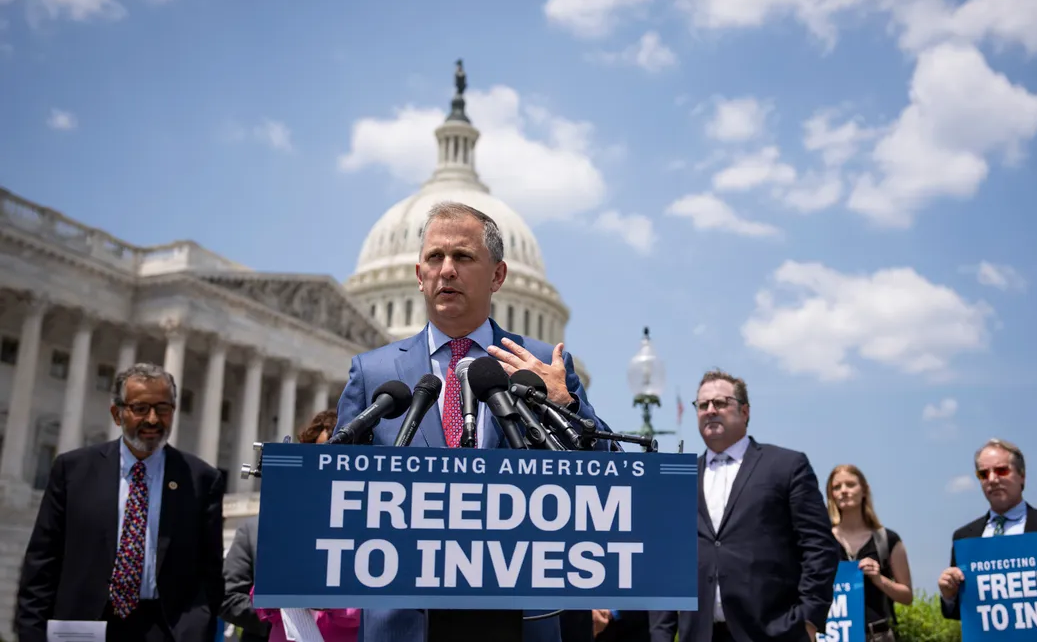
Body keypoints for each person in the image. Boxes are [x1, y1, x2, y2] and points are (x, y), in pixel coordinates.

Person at [334, 201, 616, 642]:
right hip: (406, 620)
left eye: (463, 257)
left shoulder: (542, 364)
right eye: (435, 258)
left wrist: (564, 402)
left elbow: (604, 475)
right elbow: (336, 488)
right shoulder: (373, 371)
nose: (447, 270)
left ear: (498, 276)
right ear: (418, 274)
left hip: (519, 615)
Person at [16, 362, 225, 642]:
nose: (153, 419)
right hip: (83, 627)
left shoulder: (201, 479)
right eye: (140, 408)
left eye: (163, 408)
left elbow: (209, 573)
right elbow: (42, 562)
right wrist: (32, 633)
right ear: (117, 414)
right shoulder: (73, 470)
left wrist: (197, 630)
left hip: (165, 629)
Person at [649, 369, 840, 642]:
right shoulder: (679, 479)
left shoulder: (787, 466)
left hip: (774, 633)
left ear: (745, 411)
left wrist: (808, 618)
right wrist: (661, 635)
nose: (710, 410)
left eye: (721, 403)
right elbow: (668, 564)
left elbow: (820, 547)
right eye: (703, 405)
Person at [221, 410, 342, 641]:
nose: (327, 466)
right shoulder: (256, 529)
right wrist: (281, 618)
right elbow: (229, 597)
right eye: (319, 456)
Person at [938, 438, 1037, 621]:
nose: (992, 479)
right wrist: (949, 595)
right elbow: (963, 613)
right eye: (983, 474)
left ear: (1022, 476)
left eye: (1001, 470)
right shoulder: (964, 537)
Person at [826, 465, 913, 642]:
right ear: (831, 495)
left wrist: (879, 579)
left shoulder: (887, 540)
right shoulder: (821, 541)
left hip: (878, 635)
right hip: (833, 635)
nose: (843, 491)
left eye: (850, 484)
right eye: (837, 487)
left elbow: (907, 596)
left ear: (865, 490)